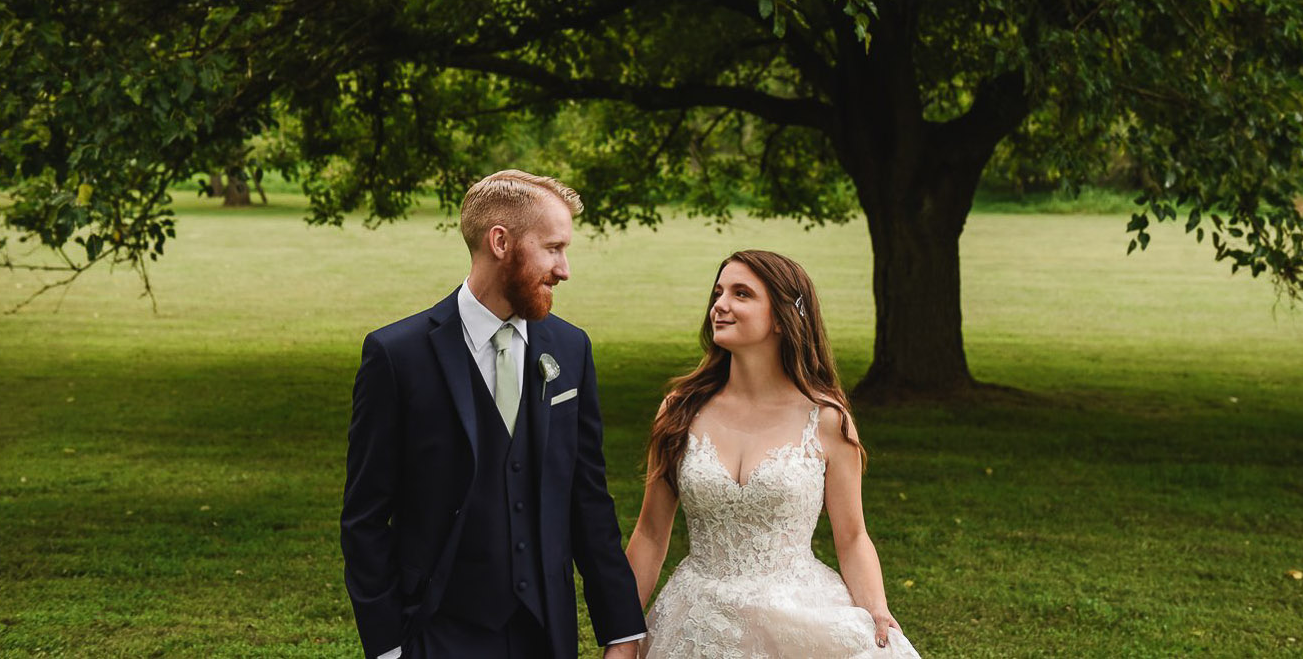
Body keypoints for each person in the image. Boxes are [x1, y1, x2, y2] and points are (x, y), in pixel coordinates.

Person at [341, 170, 646, 659]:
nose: (564, 269)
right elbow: (365, 516)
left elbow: (588, 500)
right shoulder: (397, 355)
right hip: (436, 632)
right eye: (553, 247)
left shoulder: (571, 348)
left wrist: (621, 631)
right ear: (501, 242)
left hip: (545, 633)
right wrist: (387, 646)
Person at [625, 250, 921, 658]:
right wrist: (620, 631)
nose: (720, 306)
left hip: (797, 612)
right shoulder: (679, 411)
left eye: (741, 294)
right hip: (698, 618)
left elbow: (852, 537)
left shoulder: (827, 420)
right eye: (718, 293)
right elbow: (650, 534)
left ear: (782, 318)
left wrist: (876, 609)